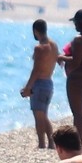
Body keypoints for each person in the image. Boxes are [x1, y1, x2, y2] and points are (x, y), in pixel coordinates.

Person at [55, 9, 82, 151]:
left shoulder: (79, 40)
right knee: (81, 112)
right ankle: (81, 145)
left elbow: (76, 61)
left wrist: (61, 58)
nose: (75, 25)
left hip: (77, 78)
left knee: (77, 113)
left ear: (80, 23)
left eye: (76, 22)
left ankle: (78, 146)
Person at [19, 19, 60, 149]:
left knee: (38, 115)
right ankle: (51, 142)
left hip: (40, 84)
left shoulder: (39, 48)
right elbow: (57, 60)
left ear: (36, 31)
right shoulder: (54, 45)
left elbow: (36, 70)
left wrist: (27, 87)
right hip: (49, 83)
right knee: (43, 114)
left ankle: (42, 143)